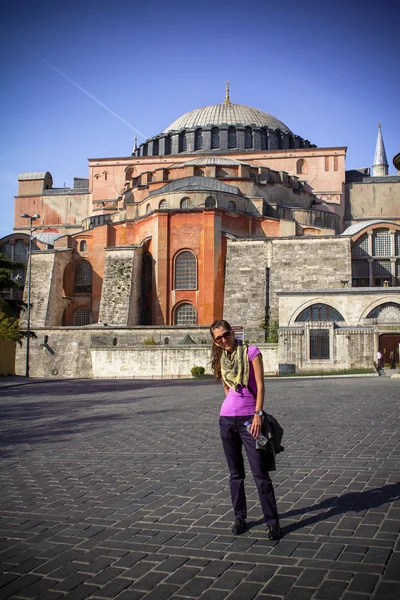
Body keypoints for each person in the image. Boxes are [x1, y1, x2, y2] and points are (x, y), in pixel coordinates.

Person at [210, 319, 281, 540]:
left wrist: (257, 414)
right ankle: (240, 518)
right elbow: (226, 387)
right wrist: (231, 407)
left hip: (250, 421)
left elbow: (260, 386)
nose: (223, 340)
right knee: (235, 475)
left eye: (226, 335)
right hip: (226, 420)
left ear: (232, 332)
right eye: (218, 338)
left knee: (260, 474)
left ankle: (272, 522)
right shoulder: (223, 358)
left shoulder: (251, 352)